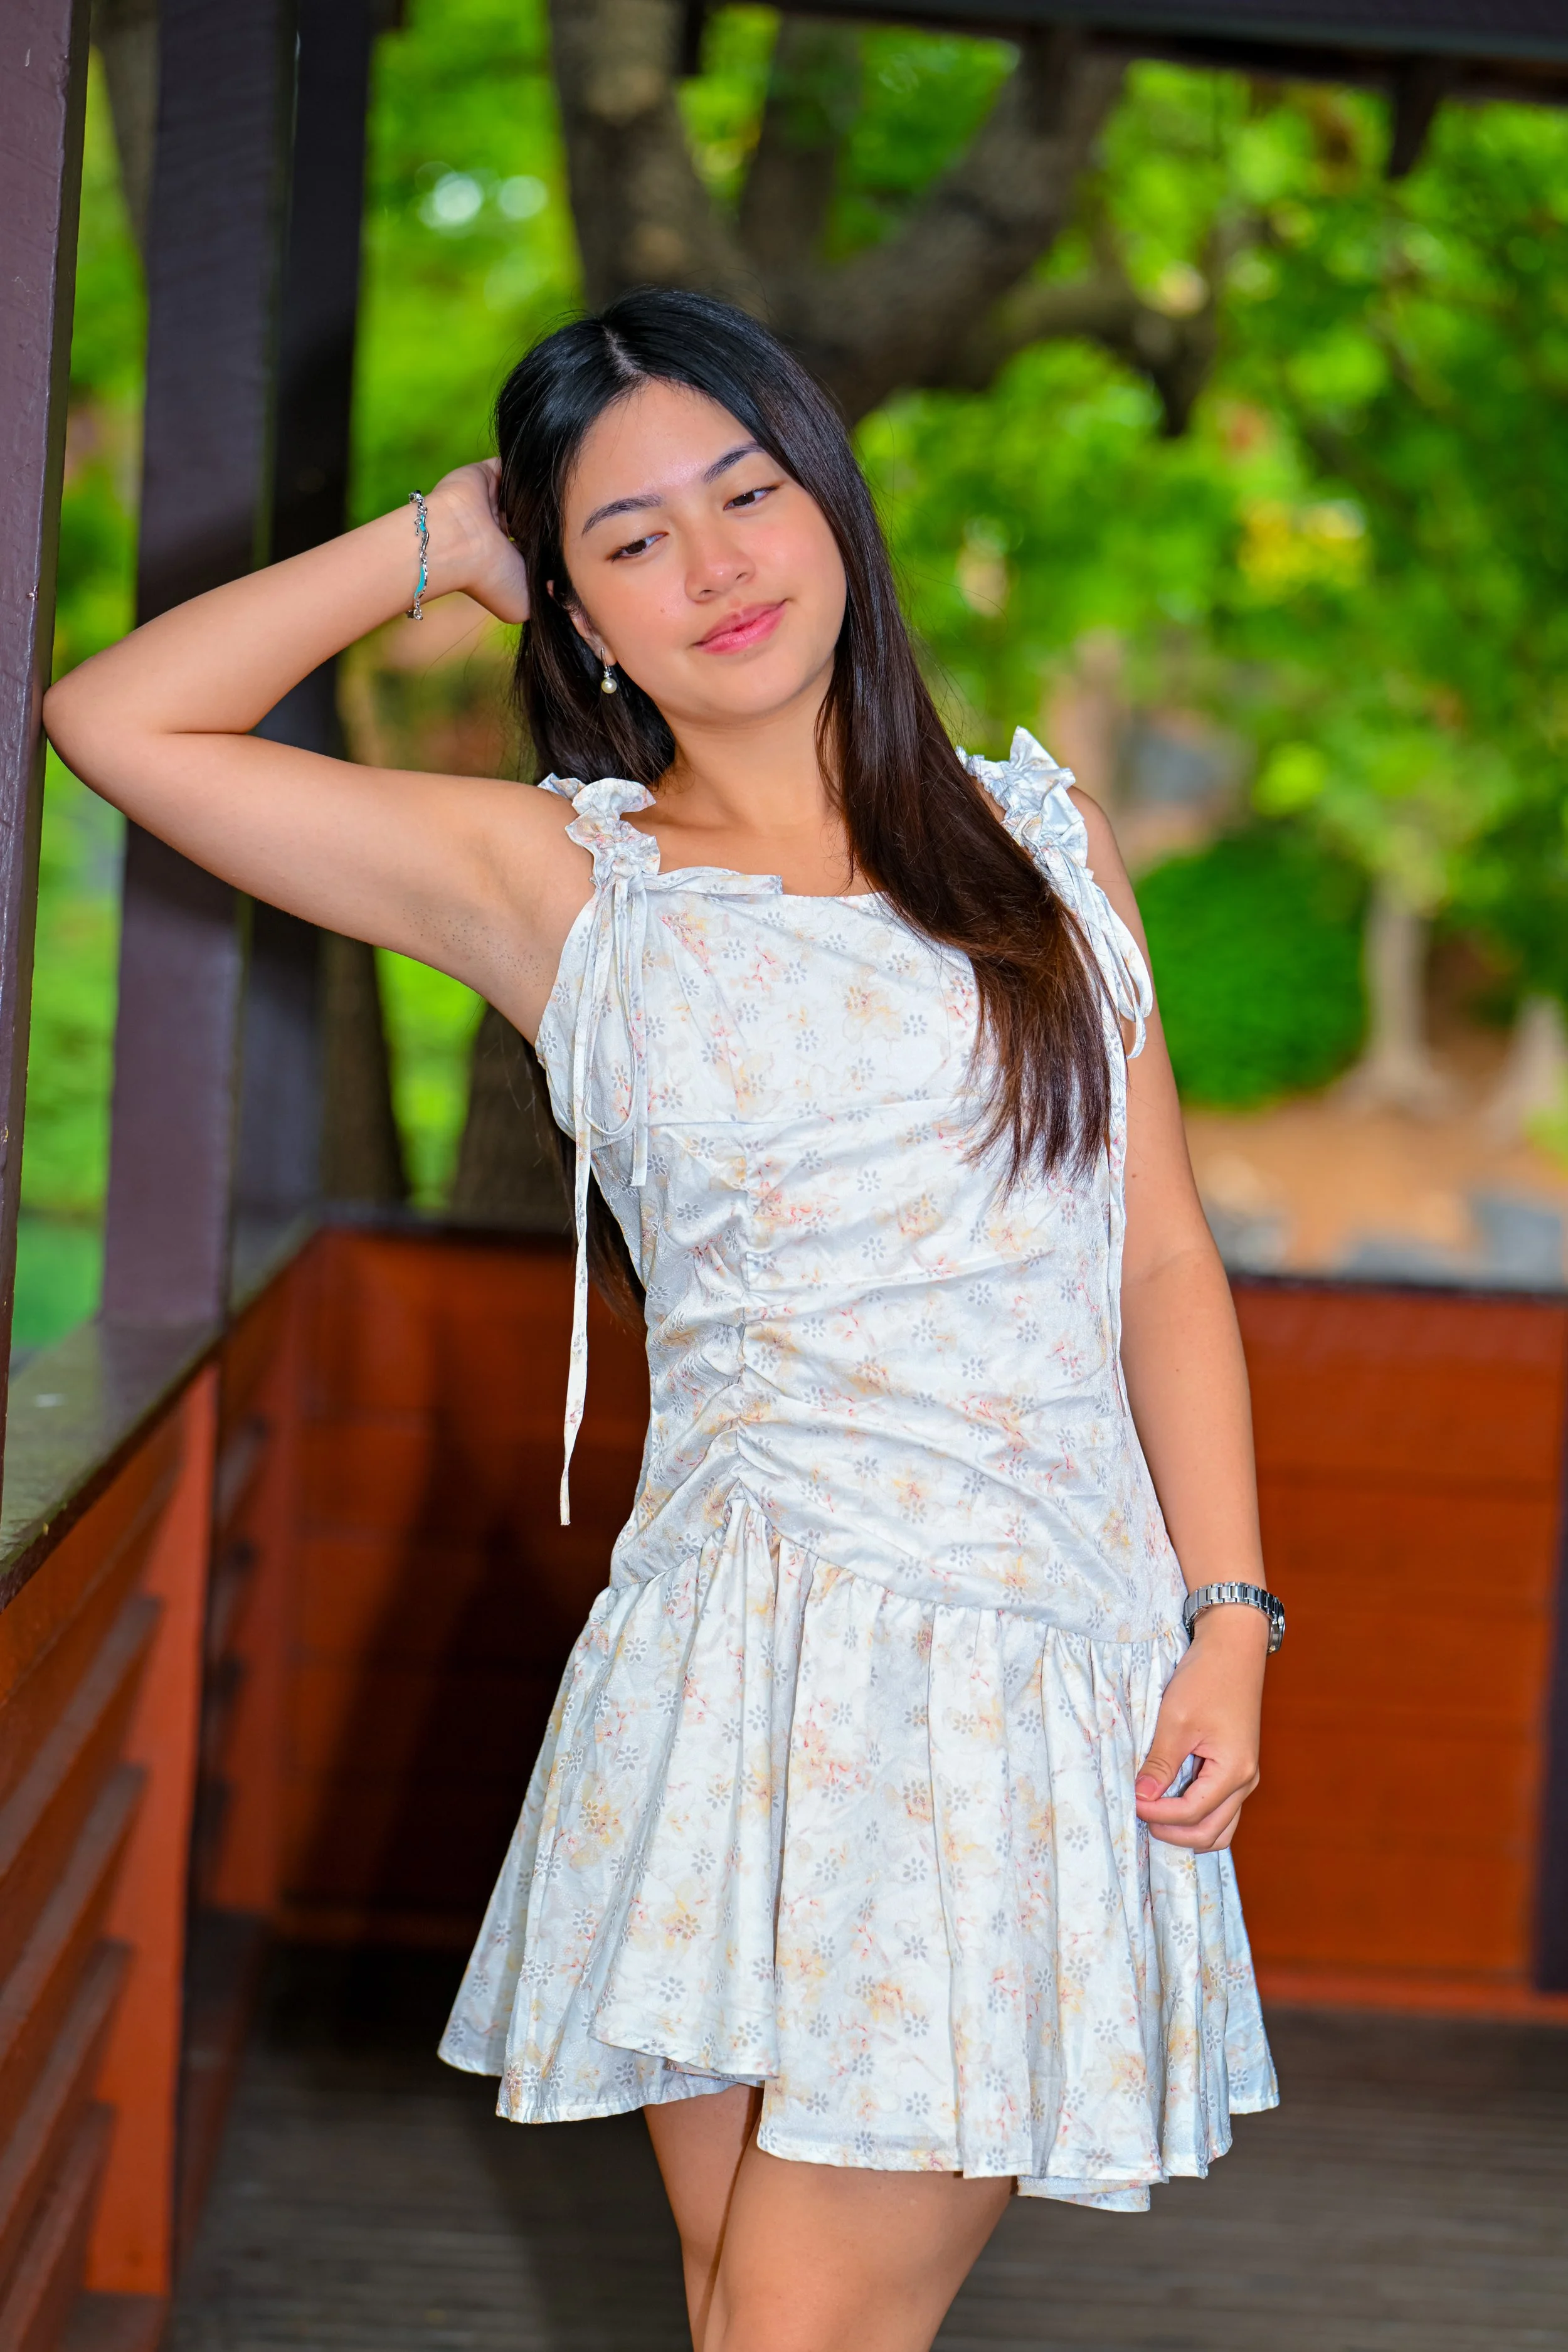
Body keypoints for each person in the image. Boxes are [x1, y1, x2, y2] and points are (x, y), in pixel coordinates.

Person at [46, 287, 1281, 2352]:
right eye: (628, 537)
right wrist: (435, 535)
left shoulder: (1047, 860)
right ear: (578, 610)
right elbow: (117, 723)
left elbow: (1157, 1258)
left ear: (832, 510)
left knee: (793, 2328)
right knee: (739, 2310)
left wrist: (1230, 1617)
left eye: (746, 492)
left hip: (1008, 1675)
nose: (711, 565)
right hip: (718, 1684)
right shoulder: (559, 884)